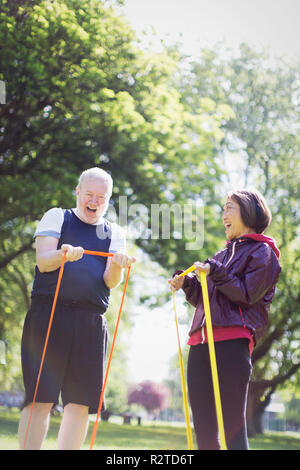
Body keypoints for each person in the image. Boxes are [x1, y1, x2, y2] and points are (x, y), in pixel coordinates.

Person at [18, 167, 136, 450]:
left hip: (91, 322)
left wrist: (118, 265)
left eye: (102, 197)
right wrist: (63, 255)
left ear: (108, 199)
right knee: (40, 397)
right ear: (78, 193)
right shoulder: (58, 217)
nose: (95, 201)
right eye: (89, 195)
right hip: (49, 314)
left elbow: (110, 281)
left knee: (80, 401)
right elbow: (43, 262)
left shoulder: (114, 232)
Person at [168, 189, 281, 450]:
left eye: (229, 207)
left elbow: (246, 295)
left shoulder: (263, 252)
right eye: (223, 209)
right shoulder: (221, 255)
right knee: (204, 431)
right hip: (200, 344)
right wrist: (188, 284)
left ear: (249, 211)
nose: (224, 215)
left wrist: (215, 272)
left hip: (231, 344)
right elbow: (208, 301)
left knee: (232, 428)